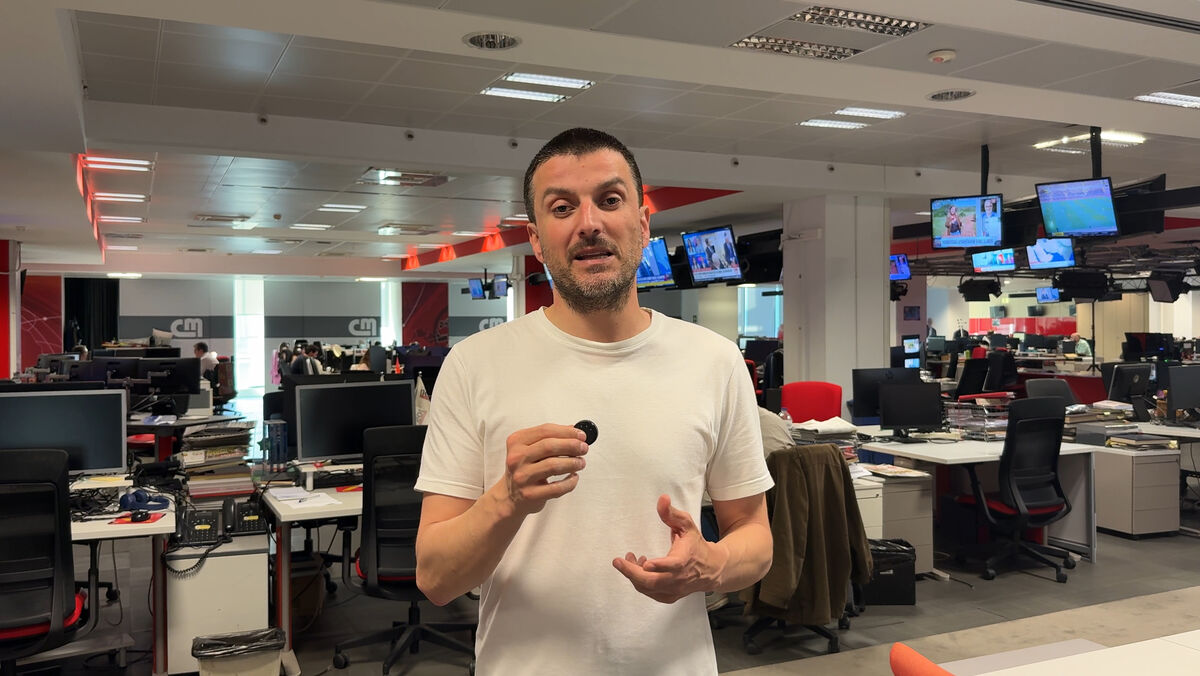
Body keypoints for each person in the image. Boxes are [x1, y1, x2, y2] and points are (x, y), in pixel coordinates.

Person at [414, 128, 774, 675]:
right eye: (562, 208)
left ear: (643, 223)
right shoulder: (473, 366)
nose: (589, 223)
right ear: (536, 239)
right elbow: (436, 579)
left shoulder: (715, 361)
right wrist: (507, 499)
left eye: (609, 200)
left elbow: (756, 537)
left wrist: (714, 563)